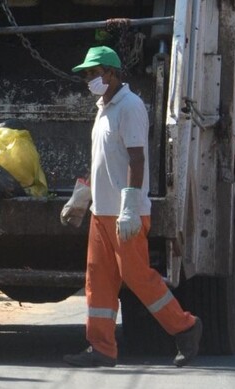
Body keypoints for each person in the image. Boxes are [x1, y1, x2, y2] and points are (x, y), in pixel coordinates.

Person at [60, 46, 202, 368]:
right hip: (101, 212)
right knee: (98, 279)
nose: (89, 79)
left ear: (112, 73)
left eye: (94, 73)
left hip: (125, 213)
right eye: (86, 74)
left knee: (137, 277)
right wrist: (82, 196)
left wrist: (128, 207)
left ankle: (186, 327)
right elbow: (104, 160)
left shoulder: (130, 107)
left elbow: (137, 159)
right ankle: (101, 348)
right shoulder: (103, 108)